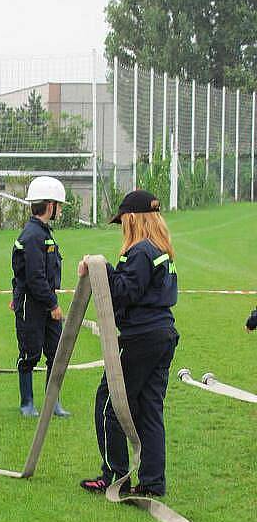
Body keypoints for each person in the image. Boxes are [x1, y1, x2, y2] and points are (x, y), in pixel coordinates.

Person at [78, 189, 178, 497]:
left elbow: (124, 292)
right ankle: (152, 482)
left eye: (123, 221)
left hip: (141, 339)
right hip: (163, 335)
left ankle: (114, 476)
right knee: (148, 408)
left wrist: (100, 267)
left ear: (132, 219)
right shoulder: (161, 249)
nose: (122, 227)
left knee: (109, 401)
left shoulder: (139, 252)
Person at [11, 176, 70, 418]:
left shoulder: (44, 232)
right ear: (49, 205)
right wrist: (53, 304)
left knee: (56, 353)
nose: (61, 209)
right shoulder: (33, 235)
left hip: (44, 301)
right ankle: (27, 403)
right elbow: (34, 276)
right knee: (30, 354)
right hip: (33, 304)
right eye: (59, 205)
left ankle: (52, 403)